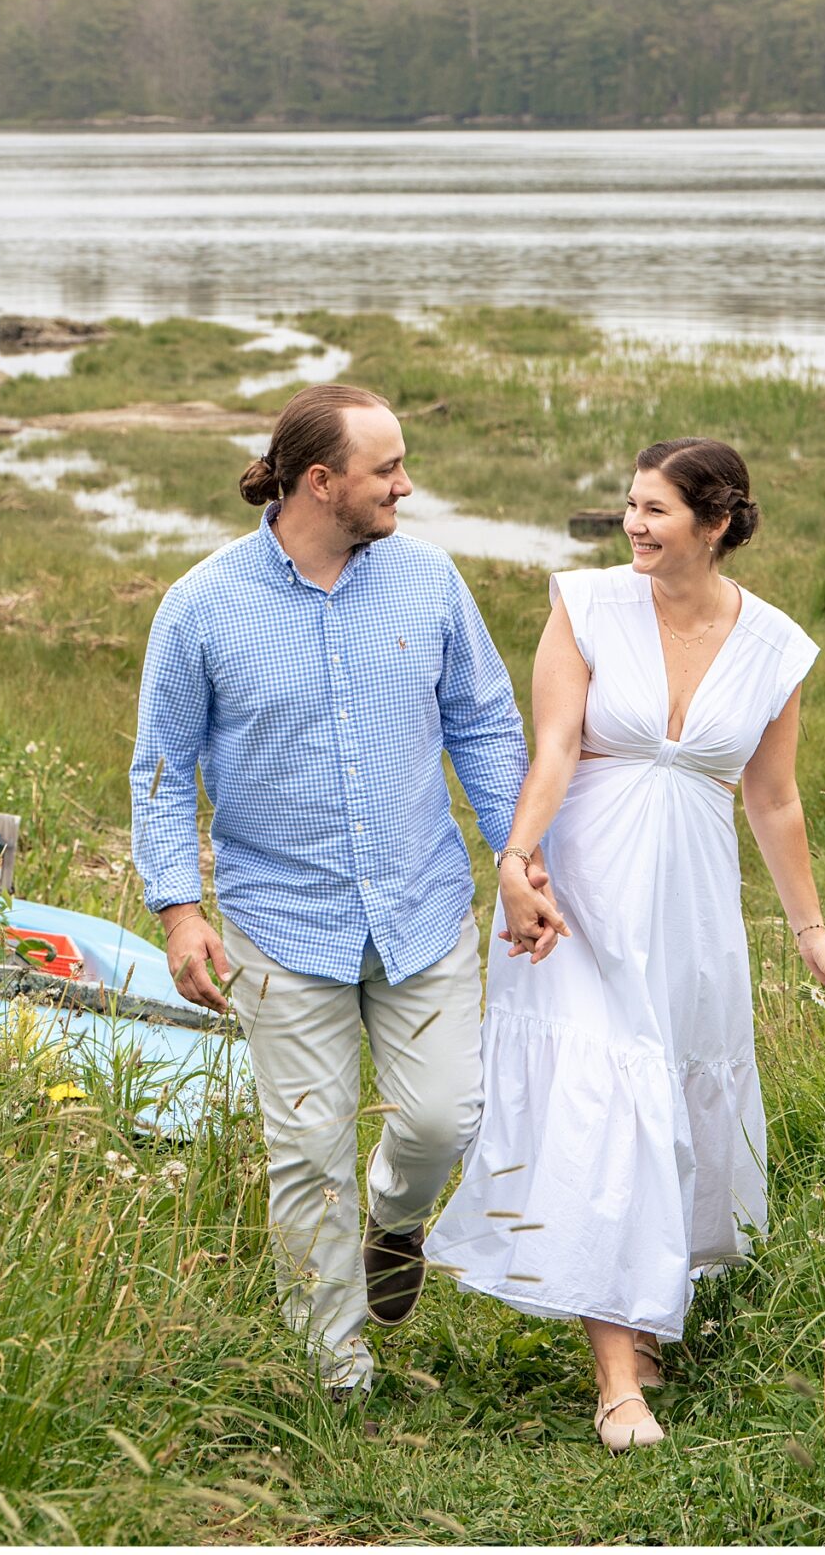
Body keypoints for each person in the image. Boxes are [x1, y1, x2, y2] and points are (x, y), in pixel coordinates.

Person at [426, 437, 825, 1452]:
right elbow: (557, 748)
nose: (634, 525)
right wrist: (518, 862)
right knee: (602, 1106)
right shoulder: (585, 605)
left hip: (692, 900)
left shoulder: (778, 645)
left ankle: (643, 1307)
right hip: (579, 895)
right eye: (629, 505)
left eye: (656, 510)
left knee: (674, 1105)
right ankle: (619, 1382)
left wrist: (814, 935)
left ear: (717, 522)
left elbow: (775, 796)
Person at [131, 382, 530, 1397]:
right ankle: (337, 1369)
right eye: (387, 469)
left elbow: (484, 726)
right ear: (321, 481)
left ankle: (394, 1221)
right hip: (279, 920)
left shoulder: (430, 584)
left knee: (446, 1117)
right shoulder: (202, 606)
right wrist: (179, 910)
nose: (407, 484)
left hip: (422, 907)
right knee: (307, 1150)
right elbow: (162, 771)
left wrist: (518, 859)